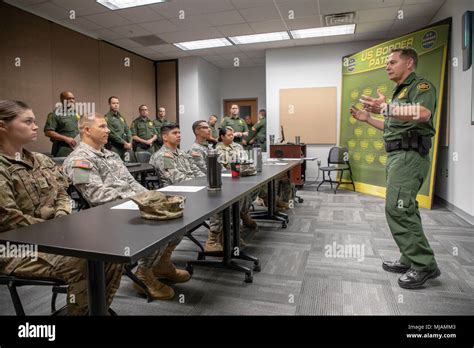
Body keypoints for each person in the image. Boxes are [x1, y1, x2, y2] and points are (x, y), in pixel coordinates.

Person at [0, 100, 122, 315]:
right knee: (85, 261)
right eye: (28, 121)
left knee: (112, 252)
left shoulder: (41, 160)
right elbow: (9, 219)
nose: (36, 126)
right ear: (3, 126)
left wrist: (63, 220)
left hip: (58, 236)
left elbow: (62, 194)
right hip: (13, 246)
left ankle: (92, 311)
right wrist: (60, 231)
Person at [63, 113, 190, 301]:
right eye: (103, 127)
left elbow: (132, 183)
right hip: (106, 215)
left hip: (129, 205)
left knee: (176, 218)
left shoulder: (111, 155)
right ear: (87, 130)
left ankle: (161, 265)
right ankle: (143, 275)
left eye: (107, 126)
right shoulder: (79, 160)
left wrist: (151, 197)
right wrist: (138, 200)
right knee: (161, 225)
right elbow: (96, 196)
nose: (108, 131)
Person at [351, 47, 440, 289]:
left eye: (392, 62)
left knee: (398, 208)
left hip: (409, 156)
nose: (387, 66)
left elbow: (423, 113)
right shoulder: (398, 92)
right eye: (386, 63)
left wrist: (386, 108)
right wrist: (368, 118)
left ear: (409, 63)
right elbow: (392, 128)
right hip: (397, 155)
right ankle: (410, 256)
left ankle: (424, 265)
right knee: (404, 207)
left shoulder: (421, 87)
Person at [209, 126, 258, 250]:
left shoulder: (238, 146)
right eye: (229, 135)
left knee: (250, 192)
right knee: (233, 202)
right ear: (222, 137)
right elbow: (229, 165)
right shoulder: (218, 149)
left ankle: (240, 223)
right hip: (227, 180)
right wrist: (241, 165)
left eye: (232, 134)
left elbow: (246, 161)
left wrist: (243, 165)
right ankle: (227, 236)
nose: (232, 136)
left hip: (240, 178)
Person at [44, 91, 80, 157]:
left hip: (76, 149)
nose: (72, 100)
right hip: (63, 151)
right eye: (69, 98)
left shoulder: (75, 113)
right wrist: (66, 139)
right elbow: (48, 132)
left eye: (73, 98)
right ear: (62, 100)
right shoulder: (55, 114)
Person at [104, 96, 132, 160]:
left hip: (124, 147)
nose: (116, 105)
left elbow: (128, 130)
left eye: (117, 103)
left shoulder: (121, 117)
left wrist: (130, 142)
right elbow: (111, 133)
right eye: (113, 103)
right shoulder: (107, 118)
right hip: (114, 147)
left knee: (126, 166)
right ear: (109, 104)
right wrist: (124, 143)